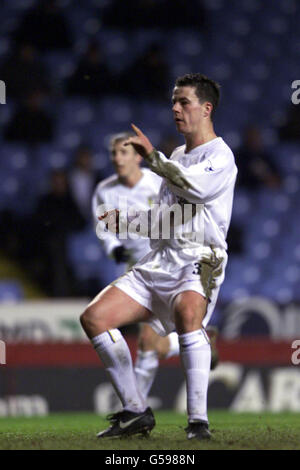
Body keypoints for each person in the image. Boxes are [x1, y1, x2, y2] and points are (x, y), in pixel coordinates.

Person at [80, 73, 237, 440]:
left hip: (199, 259)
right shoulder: (180, 155)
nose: (175, 109)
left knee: (186, 314)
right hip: (159, 260)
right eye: (173, 102)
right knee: (94, 318)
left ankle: (198, 422)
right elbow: (166, 218)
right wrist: (123, 220)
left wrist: (152, 158)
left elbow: (195, 190)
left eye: (184, 102)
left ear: (206, 108)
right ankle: (135, 411)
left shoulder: (220, 157)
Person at [92, 132, 181, 402]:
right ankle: (196, 341)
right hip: (133, 269)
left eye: (124, 152)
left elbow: (176, 214)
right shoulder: (104, 190)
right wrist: (113, 247)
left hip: (164, 262)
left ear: (137, 157)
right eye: (114, 153)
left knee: (148, 342)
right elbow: (103, 226)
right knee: (151, 345)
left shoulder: (157, 183)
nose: (118, 158)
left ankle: (134, 409)